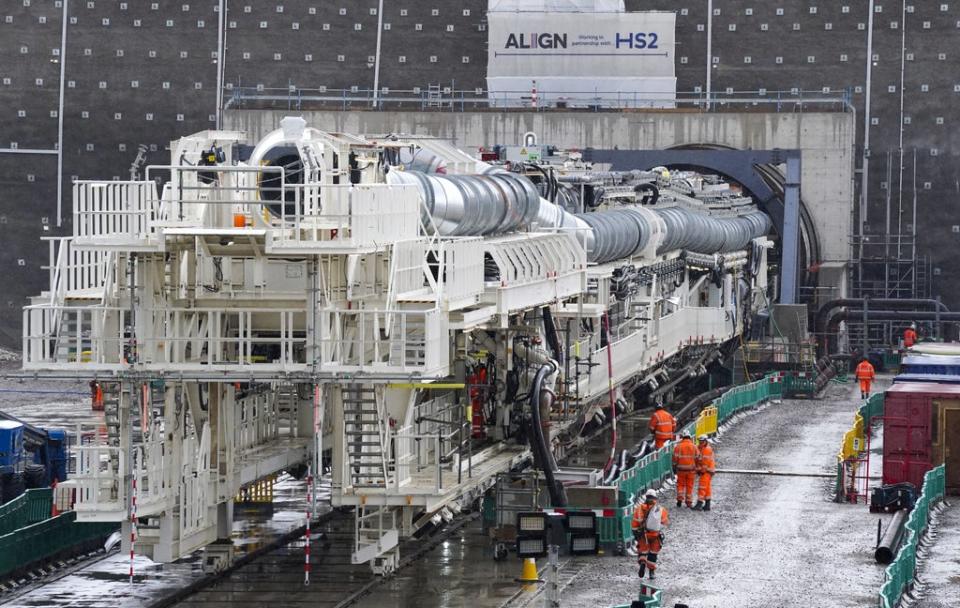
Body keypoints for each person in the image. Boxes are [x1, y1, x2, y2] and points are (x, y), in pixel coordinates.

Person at [631, 489, 669, 580]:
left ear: (646, 497)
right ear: (655, 498)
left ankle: (643, 562)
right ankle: (651, 572)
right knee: (653, 554)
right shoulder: (660, 509)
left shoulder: (639, 508)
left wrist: (635, 532)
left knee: (643, 551)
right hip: (655, 535)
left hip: (643, 534)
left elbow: (635, 523)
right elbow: (665, 522)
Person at [672, 431, 699, 508]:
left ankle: (679, 499)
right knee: (689, 486)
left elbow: (674, 459)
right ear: (690, 437)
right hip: (691, 470)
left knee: (680, 485)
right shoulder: (694, 446)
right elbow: (698, 458)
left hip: (681, 470)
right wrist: (696, 466)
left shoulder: (678, 447)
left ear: (682, 437)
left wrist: (674, 467)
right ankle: (688, 502)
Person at [693, 434, 715, 511]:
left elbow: (705, 463)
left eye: (702, 442)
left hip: (706, 471)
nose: (700, 443)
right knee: (707, 488)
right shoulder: (702, 448)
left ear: (705, 441)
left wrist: (700, 471)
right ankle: (707, 505)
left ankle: (699, 504)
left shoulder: (706, 450)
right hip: (708, 471)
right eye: (700, 441)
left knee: (702, 487)